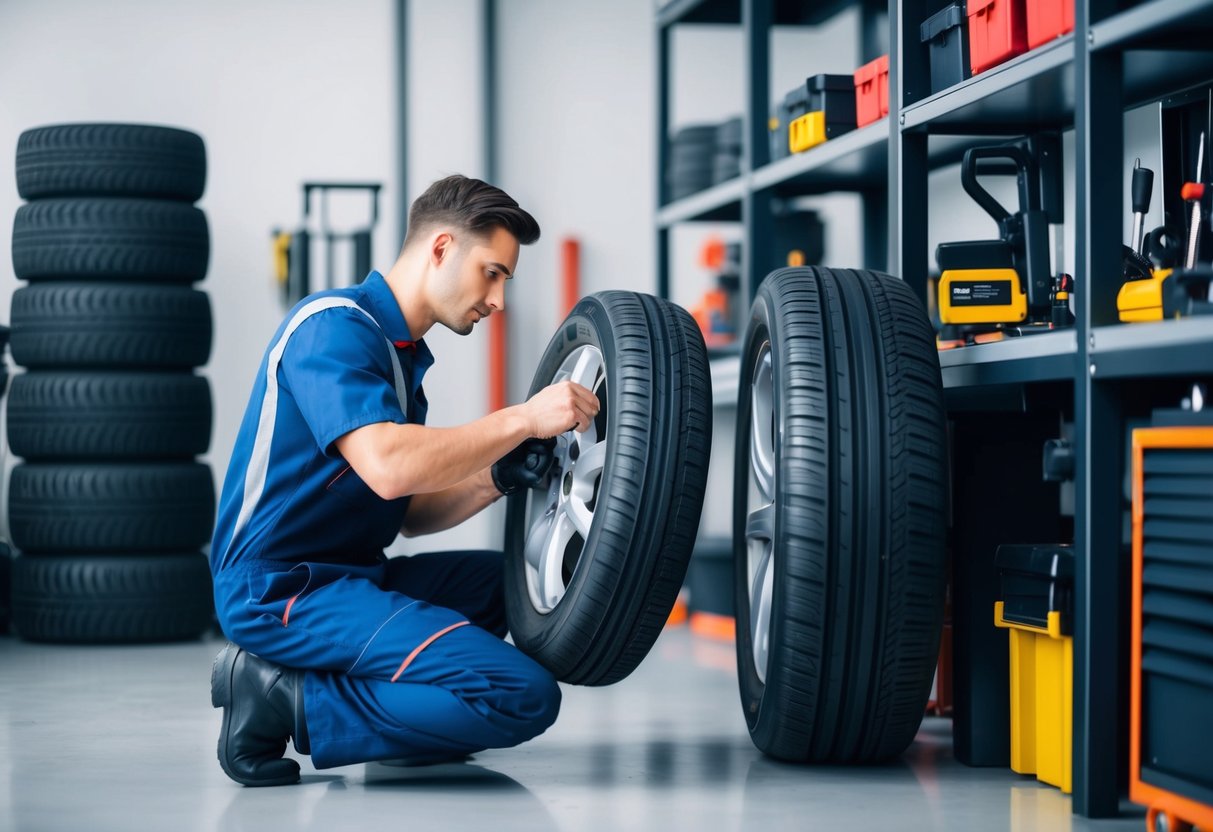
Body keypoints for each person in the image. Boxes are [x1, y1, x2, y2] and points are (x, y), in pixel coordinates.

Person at [209, 174, 601, 786]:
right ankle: (281, 696)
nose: (498, 300)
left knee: (509, 587)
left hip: (350, 573)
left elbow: (408, 512)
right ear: (441, 249)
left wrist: (496, 477)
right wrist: (522, 417)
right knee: (522, 694)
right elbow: (391, 468)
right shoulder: (332, 328)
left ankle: (401, 721)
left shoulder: (398, 356)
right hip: (282, 591)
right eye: (492, 273)